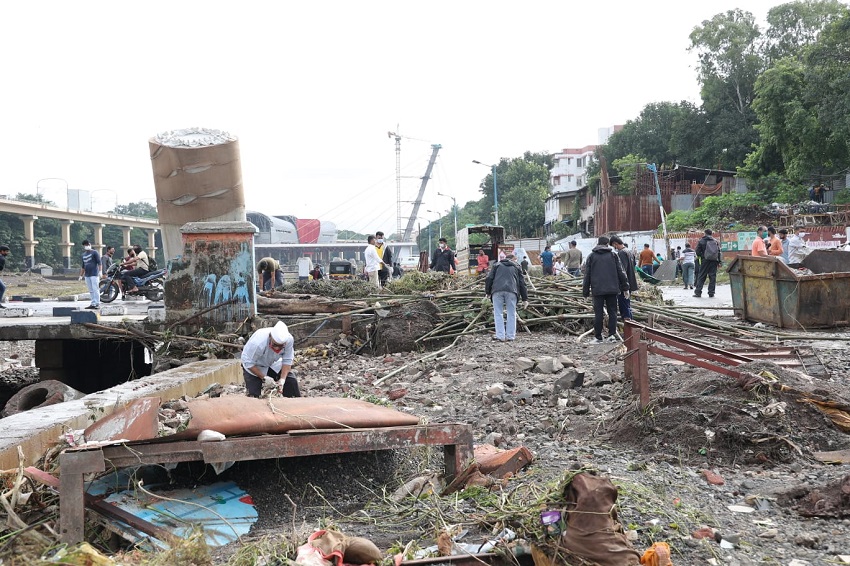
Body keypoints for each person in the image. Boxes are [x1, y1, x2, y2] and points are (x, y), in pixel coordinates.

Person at [582, 236, 628, 343]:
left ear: (598, 243)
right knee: (612, 312)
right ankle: (611, 335)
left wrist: (585, 292)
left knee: (598, 313)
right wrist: (625, 288)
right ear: (607, 244)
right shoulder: (613, 255)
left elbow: (587, 275)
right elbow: (621, 272)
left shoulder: (591, 256)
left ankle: (598, 337)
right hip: (612, 289)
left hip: (597, 290)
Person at [240, 321, 301, 398]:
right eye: (275, 345)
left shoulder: (289, 340)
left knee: (291, 382)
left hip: (273, 362)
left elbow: (287, 360)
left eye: (281, 346)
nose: (277, 348)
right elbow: (249, 363)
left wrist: (282, 380)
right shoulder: (258, 343)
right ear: (270, 337)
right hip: (253, 365)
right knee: (253, 395)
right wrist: (264, 378)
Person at [485, 253, 528, 342]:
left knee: (498, 313)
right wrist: (525, 299)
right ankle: (510, 336)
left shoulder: (496, 265)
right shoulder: (516, 266)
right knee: (511, 313)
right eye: (515, 259)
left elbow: (489, 278)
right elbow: (522, 283)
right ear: (512, 259)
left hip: (497, 291)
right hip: (512, 291)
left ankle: (500, 336)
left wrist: (488, 292)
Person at [609, 236, 638, 321]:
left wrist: (622, 285)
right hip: (630, 282)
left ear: (615, 244)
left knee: (624, 307)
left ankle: (628, 327)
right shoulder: (629, 251)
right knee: (627, 305)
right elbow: (634, 266)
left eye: (613, 246)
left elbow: (622, 270)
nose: (614, 248)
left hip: (624, 284)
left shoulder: (621, 253)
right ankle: (631, 325)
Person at [693, 229, 722, 298]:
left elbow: (697, 252)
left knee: (701, 276)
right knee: (712, 276)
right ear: (711, 234)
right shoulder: (715, 241)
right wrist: (719, 261)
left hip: (705, 261)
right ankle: (711, 293)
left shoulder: (701, 241)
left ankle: (698, 292)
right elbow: (719, 252)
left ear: (705, 233)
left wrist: (703, 256)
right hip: (714, 261)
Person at [78, 240, 101, 309]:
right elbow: (83, 266)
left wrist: (100, 271)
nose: (86, 246)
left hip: (94, 274)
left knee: (95, 289)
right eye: (85, 245)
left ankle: (97, 303)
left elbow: (99, 263)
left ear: (90, 244)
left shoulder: (94, 252)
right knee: (90, 290)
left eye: (87, 244)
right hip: (87, 275)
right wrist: (81, 275)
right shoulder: (83, 255)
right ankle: (93, 303)